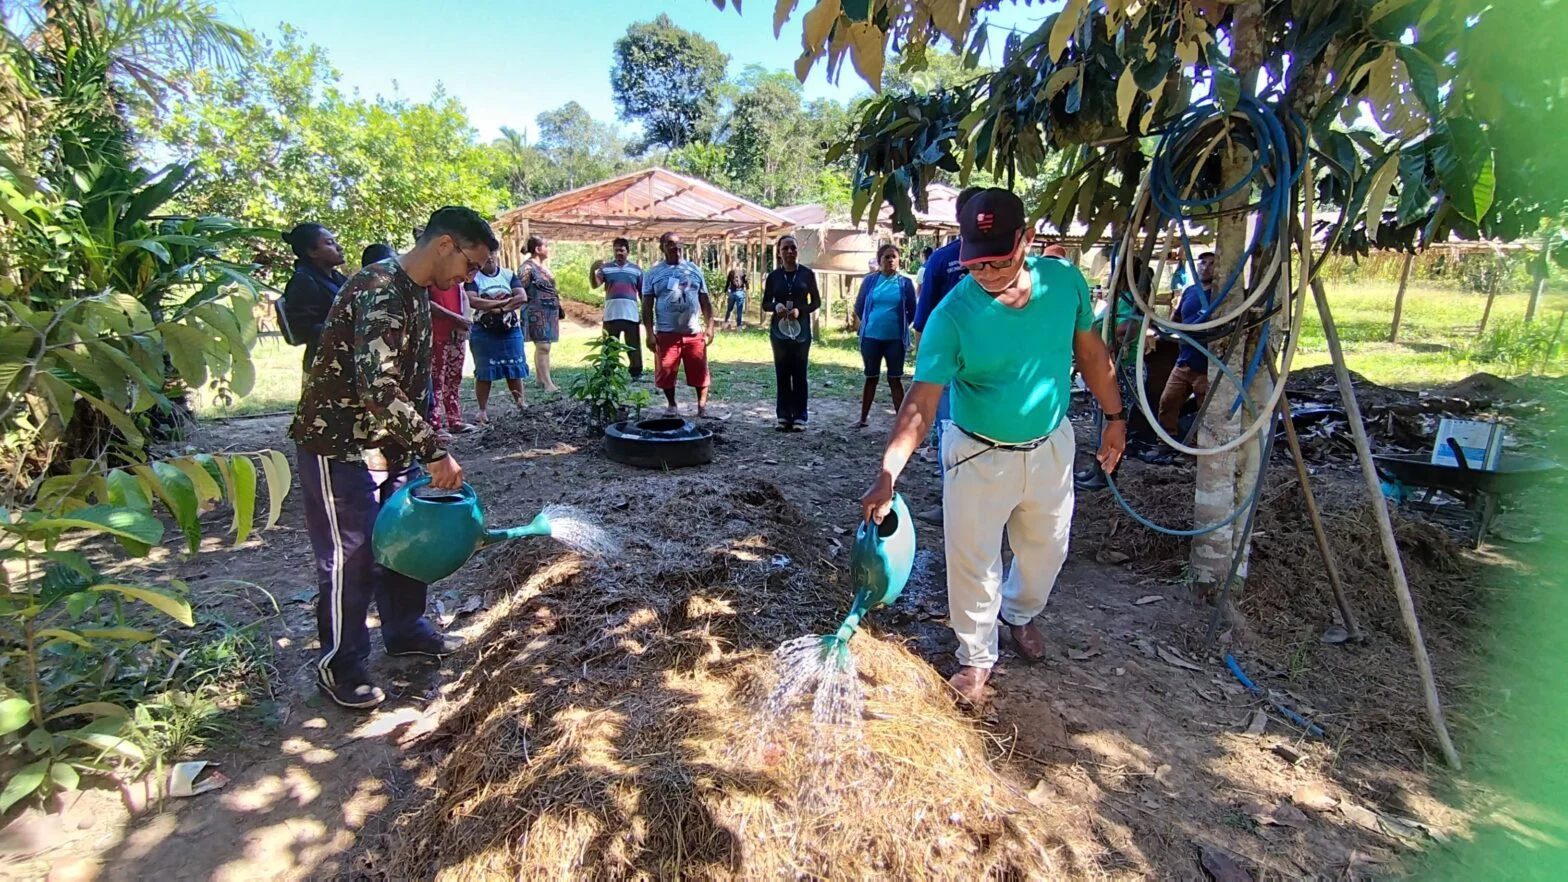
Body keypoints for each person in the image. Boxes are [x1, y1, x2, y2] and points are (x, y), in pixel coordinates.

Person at [859, 189, 1126, 707]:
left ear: (1027, 241)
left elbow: (1090, 352)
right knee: (973, 559)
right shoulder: (952, 317)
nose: (986, 273)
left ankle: (1020, 612)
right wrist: (888, 473)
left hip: (1050, 444)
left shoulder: (1064, 282)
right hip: (978, 452)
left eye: (998, 260)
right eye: (975, 263)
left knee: (1047, 549)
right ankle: (976, 655)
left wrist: (1114, 417)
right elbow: (921, 403)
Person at [289, 206, 497, 710]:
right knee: (351, 556)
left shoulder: (417, 293)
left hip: (389, 444)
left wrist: (418, 442)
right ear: (445, 244)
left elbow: (410, 383)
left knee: (406, 538)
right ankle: (341, 664)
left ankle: (405, 629)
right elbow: (377, 386)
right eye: (471, 265)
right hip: (340, 444)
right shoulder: (380, 287)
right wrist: (434, 450)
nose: (469, 278)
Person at [910, 186, 983, 524]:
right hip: (956, 366)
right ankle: (955, 501)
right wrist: (928, 372)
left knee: (963, 432)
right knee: (953, 431)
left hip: (986, 366)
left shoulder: (1012, 262)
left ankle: (974, 503)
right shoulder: (942, 260)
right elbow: (923, 323)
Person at [642, 232, 715, 417]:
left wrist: (710, 326)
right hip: (667, 332)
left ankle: (702, 406)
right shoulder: (653, 273)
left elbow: (705, 300)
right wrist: (649, 333)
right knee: (666, 371)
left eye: (678, 243)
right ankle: (672, 404)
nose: (675, 247)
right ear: (662, 248)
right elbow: (647, 305)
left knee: (699, 369)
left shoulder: (694, 270)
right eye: (670, 244)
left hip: (693, 332)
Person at [852, 243, 918, 428]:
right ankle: (863, 418)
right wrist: (870, 322)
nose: (890, 260)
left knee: (895, 379)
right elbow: (859, 305)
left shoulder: (904, 283)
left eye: (893, 257)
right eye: (886, 257)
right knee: (871, 377)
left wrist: (901, 325)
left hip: (895, 339)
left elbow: (912, 309)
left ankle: (902, 422)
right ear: (880, 260)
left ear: (899, 260)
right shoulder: (870, 281)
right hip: (871, 337)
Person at [1155, 250, 1217, 442]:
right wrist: (1163, 332)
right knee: (1168, 402)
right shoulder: (1190, 291)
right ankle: (1166, 440)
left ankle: (1200, 447)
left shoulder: (1222, 295)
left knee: (1205, 410)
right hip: (1185, 362)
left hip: (1208, 365)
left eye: (1211, 264)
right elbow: (1177, 319)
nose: (1205, 268)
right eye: (1202, 263)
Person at [761, 234, 821, 431]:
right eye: (785, 248)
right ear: (778, 252)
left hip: (801, 331)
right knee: (782, 372)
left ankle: (800, 416)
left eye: (793, 248)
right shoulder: (773, 277)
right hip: (779, 332)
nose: (789, 252)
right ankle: (783, 415)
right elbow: (765, 304)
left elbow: (816, 302)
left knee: (799, 372)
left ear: (797, 251)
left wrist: (800, 310)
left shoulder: (807, 274)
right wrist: (776, 306)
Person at [466, 253, 529, 423]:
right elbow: (473, 300)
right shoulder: (473, 277)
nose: (489, 257)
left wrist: (498, 309)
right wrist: (505, 303)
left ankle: (521, 403)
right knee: (484, 371)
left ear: (497, 254)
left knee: (514, 367)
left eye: (492, 253)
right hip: (483, 330)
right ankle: (482, 410)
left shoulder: (508, 274)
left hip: (510, 329)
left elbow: (522, 297)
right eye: (485, 254)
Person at [279, 223, 347, 373]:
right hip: (325, 365)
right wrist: (346, 327)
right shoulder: (303, 282)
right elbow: (302, 330)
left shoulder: (336, 278)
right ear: (312, 252)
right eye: (329, 243)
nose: (339, 247)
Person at [427, 278, 476, 441]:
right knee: (436, 381)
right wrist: (457, 319)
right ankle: (435, 424)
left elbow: (464, 298)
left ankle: (454, 419)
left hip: (456, 334)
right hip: (436, 336)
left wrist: (464, 322)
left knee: (454, 378)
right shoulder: (428, 278)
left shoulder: (454, 276)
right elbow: (427, 304)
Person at [592, 237, 644, 379]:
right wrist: (593, 270)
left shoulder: (636, 270)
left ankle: (636, 372)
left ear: (628, 251)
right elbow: (595, 284)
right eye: (616, 250)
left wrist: (645, 313)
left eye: (621, 250)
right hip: (611, 314)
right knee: (609, 345)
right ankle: (609, 372)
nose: (619, 253)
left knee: (633, 345)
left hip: (630, 314)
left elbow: (642, 293)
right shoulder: (606, 268)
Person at [517, 236, 562, 393]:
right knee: (543, 346)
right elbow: (519, 289)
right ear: (538, 249)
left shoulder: (543, 266)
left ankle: (541, 378)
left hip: (549, 311)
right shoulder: (527, 268)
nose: (548, 249)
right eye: (546, 246)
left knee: (545, 346)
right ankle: (548, 384)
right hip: (536, 311)